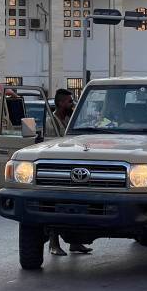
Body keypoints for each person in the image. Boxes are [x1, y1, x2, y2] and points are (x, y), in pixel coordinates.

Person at [46, 89, 92, 256]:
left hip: (72, 165)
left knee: (74, 207)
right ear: (60, 103)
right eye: (68, 101)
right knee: (55, 208)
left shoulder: (70, 119)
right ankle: (53, 244)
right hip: (56, 168)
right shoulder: (50, 121)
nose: (71, 104)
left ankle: (75, 243)